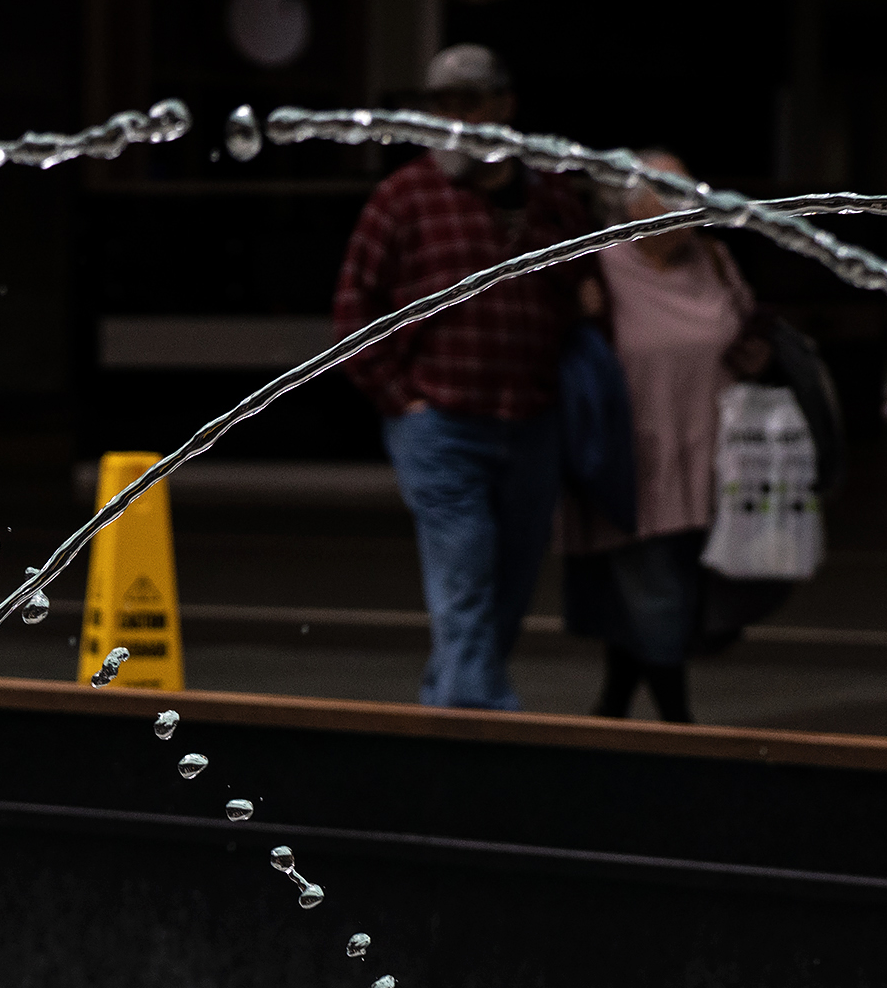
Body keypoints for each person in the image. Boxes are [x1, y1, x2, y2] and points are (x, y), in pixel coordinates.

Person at [331, 44, 588, 710]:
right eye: (441, 104)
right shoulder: (406, 196)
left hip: (530, 418)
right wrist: (400, 398)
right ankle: (482, 724)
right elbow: (355, 306)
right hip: (442, 421)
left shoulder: (549, 195)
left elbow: (576, 291)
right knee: (466, 574)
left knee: (508, 585)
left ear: (505, 106)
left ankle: (445, 713)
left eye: (469, 102)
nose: (455, 118)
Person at [561, 149, 774, 723]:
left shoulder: (716, 259)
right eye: (667, 191)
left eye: (689, 190)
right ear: (632, 205)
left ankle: (612, 707)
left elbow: (750, 328)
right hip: (635, 459)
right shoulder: (598, 267)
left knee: (659, 589)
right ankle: (678, 726)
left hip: (711, 456)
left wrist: (756, 354)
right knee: (657, 590)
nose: (688, 205)